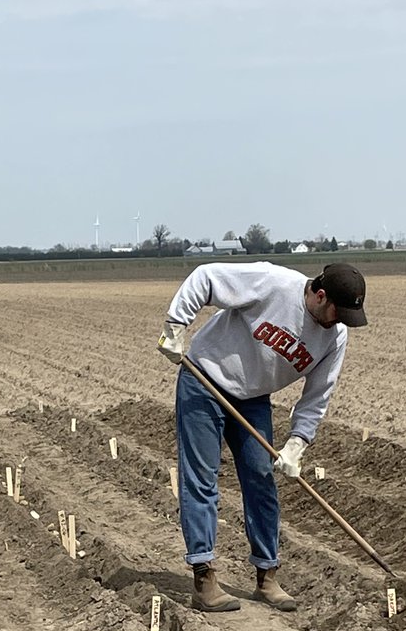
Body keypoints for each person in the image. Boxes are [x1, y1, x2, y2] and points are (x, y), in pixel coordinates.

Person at [157, 260, 367, 613]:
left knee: (261, 479)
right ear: (319, 294)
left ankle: (267, 576)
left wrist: (297, 443)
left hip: (254, 399)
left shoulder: (335, 337)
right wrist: (175, 326)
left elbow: (318, 394)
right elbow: (205, 278)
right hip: (204, 379)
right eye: (339, 311)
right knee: (202, 479)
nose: (341, 321)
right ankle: (204, 576)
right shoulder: (273, 283)